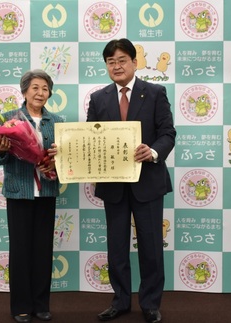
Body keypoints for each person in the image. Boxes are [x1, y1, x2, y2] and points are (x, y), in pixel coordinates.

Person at [87, 38, 176, 323]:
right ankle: (120, 301)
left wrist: (152, 151)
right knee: (116, 247)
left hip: (147, 181)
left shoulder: (155, 92)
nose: (117, 66)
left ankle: (150, 304)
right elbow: (89, 139)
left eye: (122, 60)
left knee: (150, 246)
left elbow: (168, 133)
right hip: (113, 184)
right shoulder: (98, 98)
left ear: (135, 62)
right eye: (111, 62)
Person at [0, 69, 63, 323]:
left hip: (47, 192)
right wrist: (0, 149)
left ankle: (41, 304)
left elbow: (66, 159)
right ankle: (20, 306)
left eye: (45, 88)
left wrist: (54, 164)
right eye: (35, 87)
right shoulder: (10, 119)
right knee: (20, 250)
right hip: (18, 192)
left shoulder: (57, 122)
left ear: (49, 93)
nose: (40, 92)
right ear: (24, 91)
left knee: (43, 250)